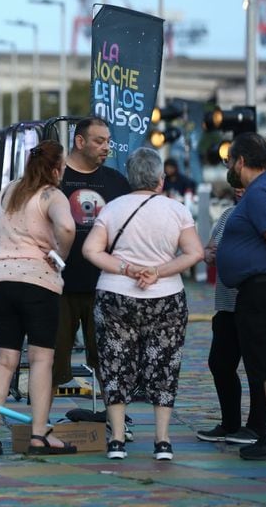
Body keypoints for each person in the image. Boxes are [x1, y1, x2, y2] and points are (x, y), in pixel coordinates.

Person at [82, 147, 203, 461]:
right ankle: (162, 441)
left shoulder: (112, 209)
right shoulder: (177, 211)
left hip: (115, 295)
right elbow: (194, 253)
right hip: (166, 298)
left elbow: (91, 251)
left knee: (115, 363)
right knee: (165, 365)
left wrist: (126, 268)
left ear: (129, 178)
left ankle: (118, 439)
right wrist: (157, 271)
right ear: (160, 180)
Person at [0, 141, 76, 457]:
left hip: (1, 279)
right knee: (40, 359)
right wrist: (60, 255)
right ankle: (38, 435)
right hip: (37, 281)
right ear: (56, 167)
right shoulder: (51, 194)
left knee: (5, 360)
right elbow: (67, 226)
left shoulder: (9, 190)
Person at [52, 117, 130, 395]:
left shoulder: (117, 181)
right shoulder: (55, 177)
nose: (106, 147)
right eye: (99, 141)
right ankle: (41, 425)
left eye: (108, 141)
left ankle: (118, 422)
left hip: (105, 285)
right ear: (80, 141)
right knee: (51, 364)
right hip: (58, 285)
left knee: (109, 361)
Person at [197, 167, 266, 445]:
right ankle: (230, 422)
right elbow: (210, 249)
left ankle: (256, 426)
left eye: (242, 184)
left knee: (258, 366)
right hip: (226, 304)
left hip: (255, 301)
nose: (239, 189)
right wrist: (210, 253)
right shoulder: (228, 215)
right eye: (234, 186)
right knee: (220, 362)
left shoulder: (262, 212)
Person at [216, 132, 266, 460]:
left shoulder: (261, 191)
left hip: (263, 290)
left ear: (240, 161)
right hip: (257, 289)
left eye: (229, 161)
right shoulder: (260, 191)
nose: (229, 168)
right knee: (263, 364)